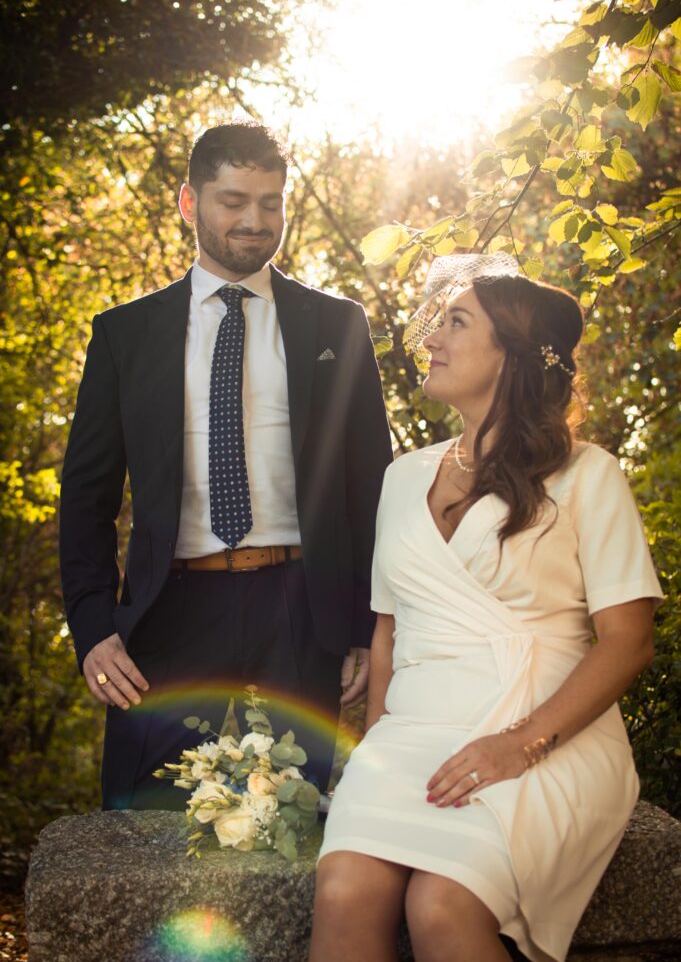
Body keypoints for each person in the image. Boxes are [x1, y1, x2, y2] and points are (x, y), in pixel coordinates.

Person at [310, 255, 662, 962]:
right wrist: (373, 753)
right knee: (345, 890)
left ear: (512, 354)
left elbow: (627, 642)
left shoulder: (586, 473)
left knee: (441, 901)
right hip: (409, 737)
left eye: (455, 322)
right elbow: (388, 632)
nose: (430, 338)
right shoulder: (400, 477)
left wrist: (519, 743)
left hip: (543, 732)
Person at [59, 120, 393, 810]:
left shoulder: (337, 325)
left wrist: (366, 623)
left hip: (303, 608)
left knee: (299, 819)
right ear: (190, 203)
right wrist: (93, 631)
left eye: (270, 202)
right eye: (233, 200)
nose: (254, 220)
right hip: (172, 610)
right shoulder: (124, 334)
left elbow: (371, 484)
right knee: (142, 814)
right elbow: (86, 497)